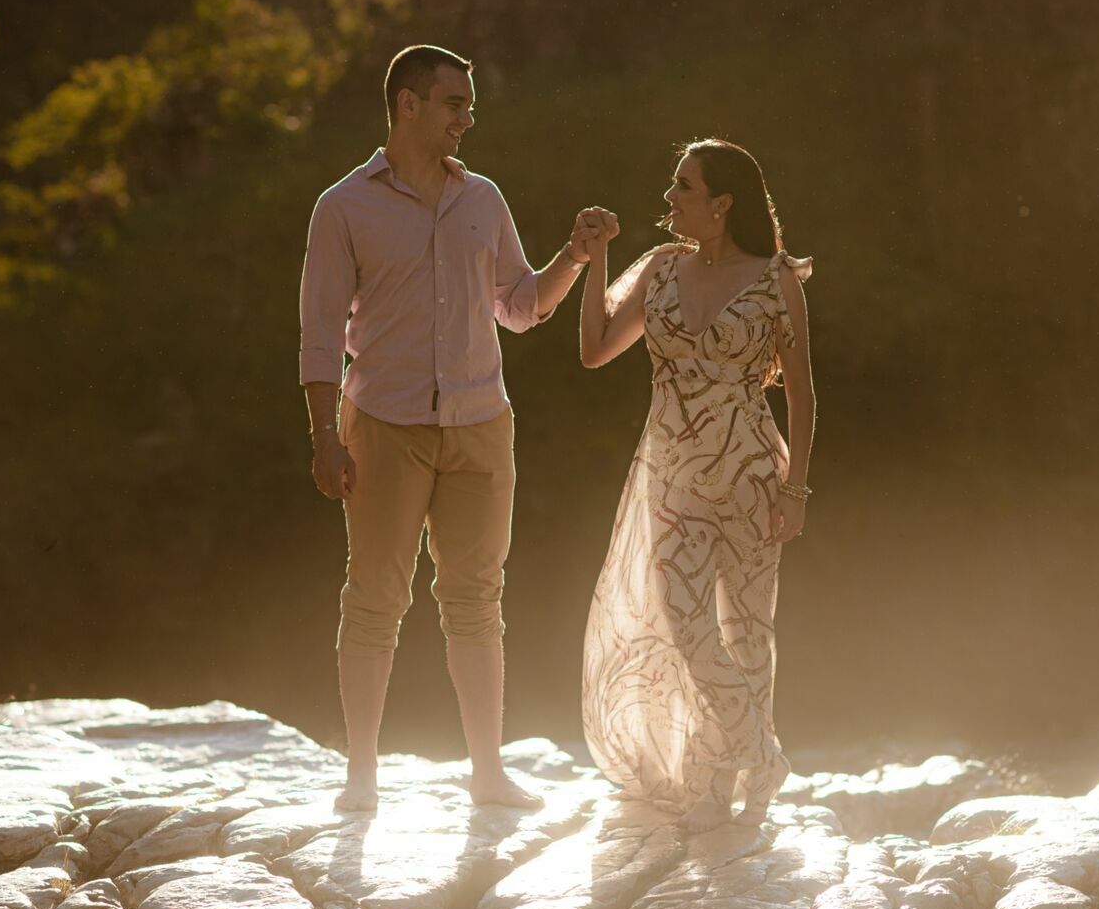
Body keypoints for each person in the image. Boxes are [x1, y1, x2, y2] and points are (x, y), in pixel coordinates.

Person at [298, 43, 610, 813]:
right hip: (383, 426)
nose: (467, 120)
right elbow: (316, 335)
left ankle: (488, 774)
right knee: (374, 598)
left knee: (477, 599)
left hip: (481, 426)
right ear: (408, 104)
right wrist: (324, 438)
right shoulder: (343, 206)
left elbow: (522, 307)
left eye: (469, 107)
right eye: (454, 105)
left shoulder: (485, 200)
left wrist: (573, 255)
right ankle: (361, 777)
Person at [576, 138, 816, 830]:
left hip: (749, 475)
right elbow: (594, 350)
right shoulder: (660, 268)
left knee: (747, 631)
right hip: (673, 478)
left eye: (684, 187)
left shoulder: (777, 280)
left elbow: (800, 395)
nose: (669, 198)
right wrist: (596, 266)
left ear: (722, 202)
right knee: (685, 627)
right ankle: (759, 751)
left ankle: (718, 786)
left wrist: (795, 490)